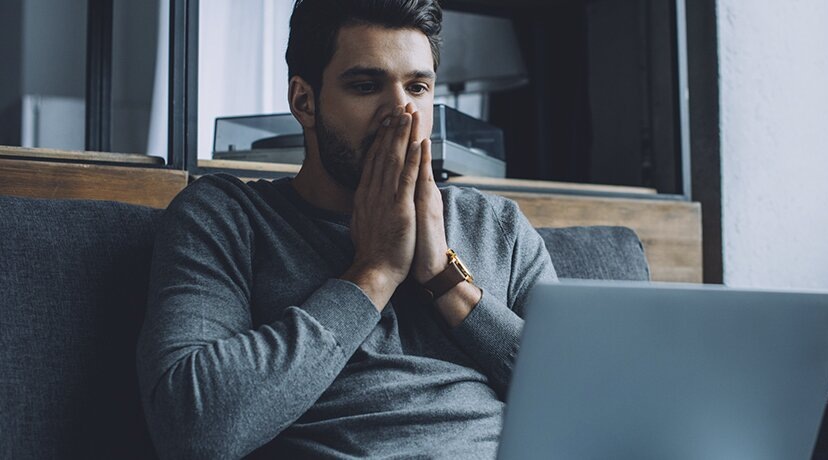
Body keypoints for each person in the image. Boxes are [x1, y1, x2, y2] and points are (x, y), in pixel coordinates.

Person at [136, 0, 557, 458]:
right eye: (365, 86)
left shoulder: (498, 226)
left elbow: (582, 400)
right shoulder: (227, 217)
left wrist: (444, 278)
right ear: (304, 100)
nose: (402, 113)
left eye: (417, 87)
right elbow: (193, 429)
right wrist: (374, 271)